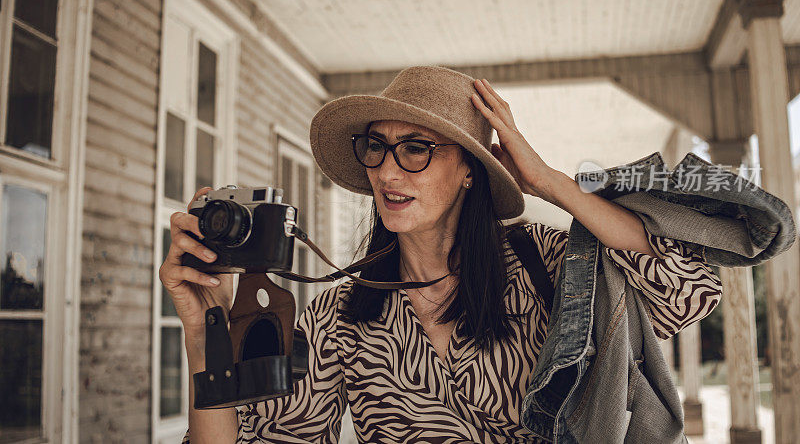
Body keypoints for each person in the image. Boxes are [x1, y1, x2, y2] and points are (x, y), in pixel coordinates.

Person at [162, 66, 722, 443]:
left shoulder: (547, 266)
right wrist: (202, 332)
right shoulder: (339, 315)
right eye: (377, 148)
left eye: (416, 149)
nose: (385, 170)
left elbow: (687, 284)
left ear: (469, 172)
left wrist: (553, 184)